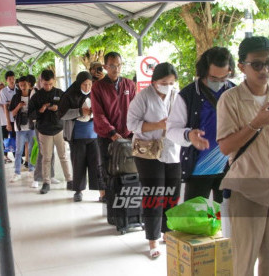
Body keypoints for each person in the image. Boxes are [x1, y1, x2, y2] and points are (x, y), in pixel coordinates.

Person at [217, 36, 269, 276]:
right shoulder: (230, 100)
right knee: (244, 263)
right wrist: (256, 123)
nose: (265, 70)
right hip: (247, 192)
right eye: (257, 64)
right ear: (242, 67)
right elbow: (225, 147)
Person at [166, 47, 236, 202]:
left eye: (223, 78)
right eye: (213, 78)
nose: (218, 83)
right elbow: (171, 130)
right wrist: (188, 135)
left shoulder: (235, 92)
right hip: (199, 168)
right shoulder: (187, 95)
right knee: (194, 220)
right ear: (203, 72)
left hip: (230, 168)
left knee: (227, 219)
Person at [127, 62, 181, 259]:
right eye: (164, 82)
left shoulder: (176, 95)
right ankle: (153, 240)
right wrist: (157, 125)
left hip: (172, 150)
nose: (168, 86)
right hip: (148, 153)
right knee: (154, 195)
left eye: (171, 82)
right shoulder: (142, 98)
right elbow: (131, 124)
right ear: (154, 81)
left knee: (172, 194)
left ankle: (168, 233)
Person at [91, 52, 136, 202]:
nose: (116, 69)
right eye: (112, 65)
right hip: (107, 137)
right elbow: (98, 114)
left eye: (119, 65)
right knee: (109, 170)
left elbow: (136, 109)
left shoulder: (129, 84)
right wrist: (112, 132)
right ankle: (111, 206)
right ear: (105, 67)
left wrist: (133, 130)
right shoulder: (97, 87)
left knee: (129, 170)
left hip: (128, 136)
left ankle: (127, 207)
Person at [59, 71, 104, 202]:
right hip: (77, 136)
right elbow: (62, 114)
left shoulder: (95, 94)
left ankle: (102, 193)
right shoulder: (69, 95)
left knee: (97, 165)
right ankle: (78, 191)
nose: (87, 87)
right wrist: (80, 111)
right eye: (84, 85)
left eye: (90, 84)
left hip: (94, 135)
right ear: (79, 84)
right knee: (78, 164)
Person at [28, 69, 73, 194]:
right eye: (45, 84)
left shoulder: (60, 93)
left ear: (54, 82)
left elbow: (67, 108)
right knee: (46, 158)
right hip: (44, 131)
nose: (48, 86)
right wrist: (40, 111)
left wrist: (57, 108)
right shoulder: (36, 96)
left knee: (63, 156)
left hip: (59, 129)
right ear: (41, 81)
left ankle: (69, 180)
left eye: (51, 84)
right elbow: (30, 115)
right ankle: (46, 182)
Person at [9, 76, 35, 182]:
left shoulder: (33, 96)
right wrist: (19, 106)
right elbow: (13, 113)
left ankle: (32, 169)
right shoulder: (16, 97)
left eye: (25, 85)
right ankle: (17, 172)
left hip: (31, 126)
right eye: (21, 85)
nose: (23, 87)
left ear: (29, 85)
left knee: (32, 149)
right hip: (20, 127)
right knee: (18, 150)